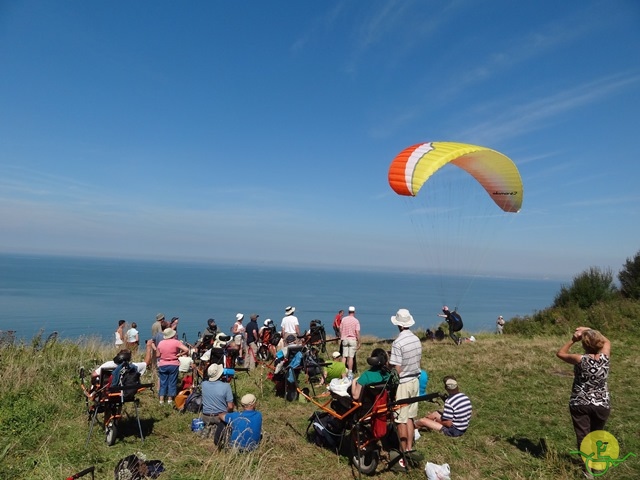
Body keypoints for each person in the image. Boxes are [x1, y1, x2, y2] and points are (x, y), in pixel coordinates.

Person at [556, 327, 611, 452]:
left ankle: (588, 468)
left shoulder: (579, 359)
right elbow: (607, 342)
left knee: (583, 436)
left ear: (584, 345)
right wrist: (590, 329)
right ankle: (597, 466)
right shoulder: (605, 358)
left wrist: (573, 340)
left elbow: (560, 353)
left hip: (580, 402)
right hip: (602, 403)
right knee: (597, 436)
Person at [389, 308, 422, 459]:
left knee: (400, 419)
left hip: (403, 383)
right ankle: (409, 447)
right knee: (410, 417)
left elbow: (397, 368)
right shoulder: (416, 339)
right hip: (415, 380)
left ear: (398, 324)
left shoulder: (398, 342)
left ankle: (403, 452)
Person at [201, 363, 235, 446]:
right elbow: (230, 406)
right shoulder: (226, 386)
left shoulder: (203, 384)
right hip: (219, 417)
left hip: (205, 416)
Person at [156, 328, 190, 405]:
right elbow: (187, 349)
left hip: (163, 364)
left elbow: (157, 355)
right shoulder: (176, 342)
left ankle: (161, 400)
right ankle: (170, 400)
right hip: (173, 364)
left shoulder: (160, 343)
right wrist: (179, 354)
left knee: (163, 382)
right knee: (172, 381)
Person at [340, 306, 360, 378]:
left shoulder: (344, 319)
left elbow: (340, 329)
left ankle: (342, 371)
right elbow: (357, 332)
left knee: (344, 356)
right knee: (351, 357)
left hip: (345, 339)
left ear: (348, 312)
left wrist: (342, 336)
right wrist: (359, 342)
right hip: (352, 339)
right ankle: (350, 372)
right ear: (354, 312)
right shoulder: (356, 321)